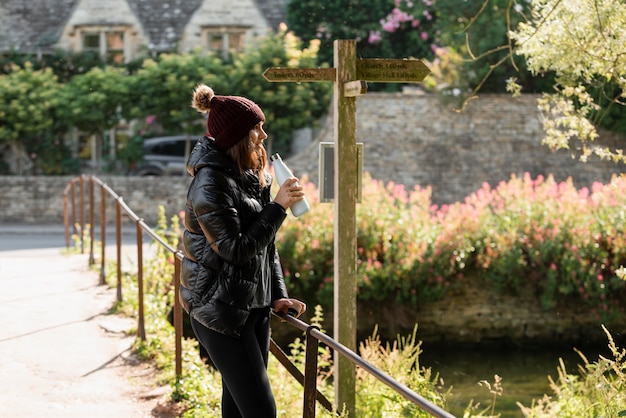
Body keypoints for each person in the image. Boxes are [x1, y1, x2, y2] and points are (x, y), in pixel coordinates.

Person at [180, 84, 307, 418]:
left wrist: (278, 294)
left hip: (253, 304)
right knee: (262, 412)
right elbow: (234, 249)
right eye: (257, 128)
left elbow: (266, 248)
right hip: (218, 310)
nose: (264, 135)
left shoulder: (250, 174)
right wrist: (278, 207)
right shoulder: (211, 183)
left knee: (238, 409)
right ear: (238, 135)